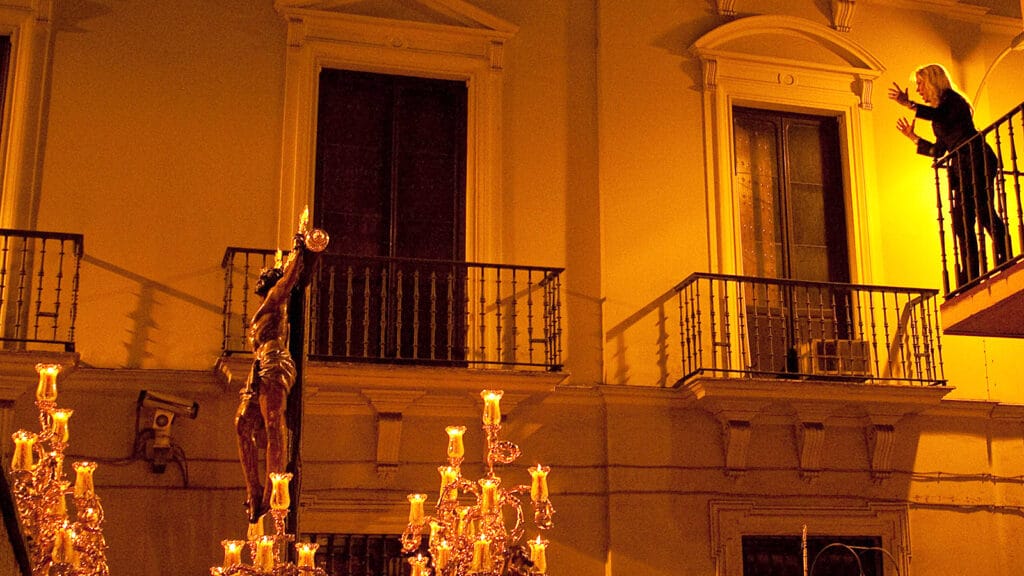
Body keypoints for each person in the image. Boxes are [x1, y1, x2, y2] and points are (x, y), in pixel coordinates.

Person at [235, 213, 328, 523]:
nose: (261, 276)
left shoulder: (277, 299)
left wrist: (301, 249)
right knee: (242, 424)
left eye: (267, 274)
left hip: (274, 360)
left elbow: (290, 281)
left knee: (273, 421)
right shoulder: (264, 307)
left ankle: (275, 491)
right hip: (259, 365)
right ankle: (254, 488)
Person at [889, 63, 1009, 287]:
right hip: (961, 165)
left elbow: (941, 114)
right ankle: (970, 270)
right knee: (961, 220)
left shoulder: (953, 102)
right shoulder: (937, 118)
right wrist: (913, 137)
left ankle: (1005, 253)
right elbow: (939, 150)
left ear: (933, 82)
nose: (918, 90)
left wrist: (909, 105)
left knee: (983, 210)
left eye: (921, 84)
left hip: (976, 157)